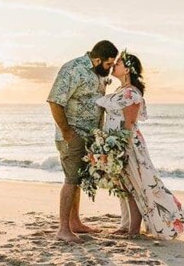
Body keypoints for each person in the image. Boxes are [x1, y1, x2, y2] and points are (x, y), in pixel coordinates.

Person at [96, 51, 184, 239]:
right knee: (123, 186)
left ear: (128, 69)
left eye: (118, 63)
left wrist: (121, 150)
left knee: (134, 186)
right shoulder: (120, 91)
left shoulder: (131, 93)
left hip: (128, 145)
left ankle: (133, 230)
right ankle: (125, 225)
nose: (114, 65)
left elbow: (129, 124)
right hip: (116, 143)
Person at [47, 40, 118, 243]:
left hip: (90, 135)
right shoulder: (73, 69)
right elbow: (54, 101)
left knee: (77, 179)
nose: (110, 69)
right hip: (72, 135)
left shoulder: (99, 74)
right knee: (71, 179)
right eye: (108, 64)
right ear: (97, 59)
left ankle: (75, 222)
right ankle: (63, 229)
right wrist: (68, 132)